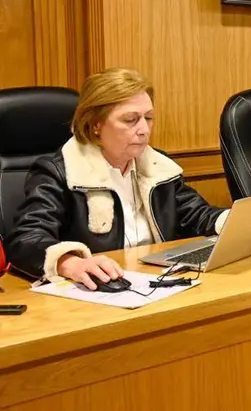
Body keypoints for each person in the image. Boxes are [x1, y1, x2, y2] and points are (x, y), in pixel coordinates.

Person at [6, 68, 230, 288]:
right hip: (95, 293)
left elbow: (196, 215)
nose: (144, 129)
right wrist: (71, 263)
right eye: (131, 120)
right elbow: (26, 239)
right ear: (96, 124)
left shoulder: (158, 167)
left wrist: (234, 222)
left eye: (149, 118)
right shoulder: (58, 171)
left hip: (155, 281)